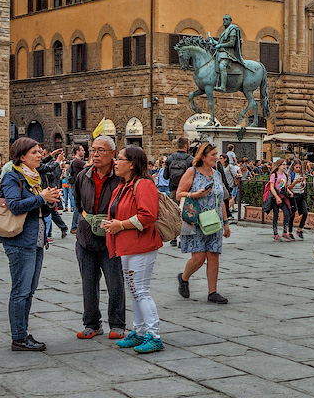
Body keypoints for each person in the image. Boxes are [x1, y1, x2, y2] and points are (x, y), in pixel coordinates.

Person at [0, 138, 62, 351]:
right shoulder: (12, 177)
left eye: (40, 151)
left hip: (36, 240)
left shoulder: (33, 178)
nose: (40, 155)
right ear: (22, 156)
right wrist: (42, 198)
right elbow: (15, 206)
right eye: (35, 152)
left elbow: (40, 209)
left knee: (29, 290)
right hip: (20, 241)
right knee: (21, 290)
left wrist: (50, 201)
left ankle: (22, 333)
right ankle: (19, 337)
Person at [103, 145, 164, 354]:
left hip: (141, 244)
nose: (115, 162)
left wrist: (120, 225)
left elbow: (148, 215)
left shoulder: (144, 185)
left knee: (141, 290)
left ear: (132, 163)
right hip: (127, 244)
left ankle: (154, 335)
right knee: (135, 291)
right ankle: (139, 331)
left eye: (119, 159)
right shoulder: (124, 185)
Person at [72, 136, 126, 340]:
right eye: (93, 150)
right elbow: (77, 203)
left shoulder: (120, 177)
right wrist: (88, 219)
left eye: (101, 150)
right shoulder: (83, 176)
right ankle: (92, 323)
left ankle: (117, 324)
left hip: (112, 237)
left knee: (115, 282)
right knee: (88, 282)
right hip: (86, 237)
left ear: (113, 153)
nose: (95, 154)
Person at [176, 142, 231, 304]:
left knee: (214, 255)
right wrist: (195, 194)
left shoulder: (216, 175)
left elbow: (220, 200)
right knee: (199, 257)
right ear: (203, 157)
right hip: (195, 220)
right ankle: (184, 278)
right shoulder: (192, 172)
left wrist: (226, 222)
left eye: (216, 154)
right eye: (213, 155)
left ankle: (212, 292)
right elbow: (179, 194)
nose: (216, 157)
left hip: (214, 220)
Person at [263, 157, 293, 241]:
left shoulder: (285, 175)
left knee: (287, 213)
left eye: (285, 165)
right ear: (278, 166)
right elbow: (271, 187)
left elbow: (285, 186)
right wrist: (276, 197)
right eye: (283, 164)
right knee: (275, 214)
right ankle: (275, 233)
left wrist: (289, 192)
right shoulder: (274, 175)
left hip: (283, 196)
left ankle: (285, 232)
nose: (284, 166)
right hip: (275, 196)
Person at [289, 159, 307, 239]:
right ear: (293, 167)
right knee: (292, 214)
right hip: (293, 195)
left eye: (299, 167)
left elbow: (304, 184)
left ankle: (300, 229)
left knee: (305, 212)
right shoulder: (290, 175)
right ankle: (289, 231)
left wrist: (303, 183)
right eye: (296, 167)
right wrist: (295, 183)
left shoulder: (301, 174)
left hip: (301, 195)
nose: (298, 169)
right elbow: (288, 187)